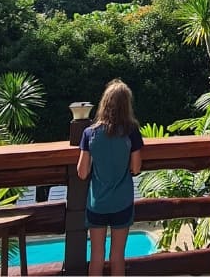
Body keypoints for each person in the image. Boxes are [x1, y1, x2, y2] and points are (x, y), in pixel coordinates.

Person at [77, 79, 144, 276]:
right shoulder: (131, 132)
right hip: (122, 201)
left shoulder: (89, 133)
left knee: (97, 255)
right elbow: (136, 167)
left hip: (97, 202)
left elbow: (82, 172)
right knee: (117, 256)